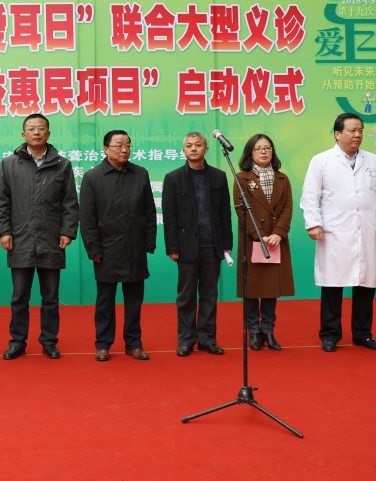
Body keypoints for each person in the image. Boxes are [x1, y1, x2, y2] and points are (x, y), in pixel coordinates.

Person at [300, 112, 376, 352]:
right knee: (332, 284)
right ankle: (330, 335)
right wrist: (313, 223)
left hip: (365, 229)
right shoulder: (321, 161)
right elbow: (310, 197)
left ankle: (363, 334)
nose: (358, 135)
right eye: (352, 130)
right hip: (334, 232)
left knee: (365, 285)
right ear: (337, 133)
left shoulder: (374, 161)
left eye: (360, 130)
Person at [0, 113, 79, 360]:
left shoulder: (62, 165)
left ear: (48, 133)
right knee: (19, 296)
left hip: (52, 239)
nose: (36, 132)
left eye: (41, 128)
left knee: (50, 297)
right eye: (31, 128)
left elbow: (70, 202)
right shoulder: (9, 164)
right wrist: (4, 231)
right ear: (24, 134)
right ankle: (17, 341)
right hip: (20, 239)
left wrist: (67, 231)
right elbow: (1, 201)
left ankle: (49, 341)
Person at [79, 130, 157, 361]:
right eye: (119, 145)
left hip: (135, 247)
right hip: (106, 249)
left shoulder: (140, 173)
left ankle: (133, 343)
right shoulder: (92, 177)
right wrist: (93, 249)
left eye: (128, 145)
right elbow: (87, 218)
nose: (124, 150)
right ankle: (103, 344)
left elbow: (149, 212)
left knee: (134, 300)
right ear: (106, 149)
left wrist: (149, 243)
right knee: (105, 301)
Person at [162, 131, 233, 357]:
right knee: (186, 297)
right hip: (186, 247)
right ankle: (186, 340)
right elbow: (169, 216)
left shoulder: (219, 176)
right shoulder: (173, 178)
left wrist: (227, 243)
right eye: (189, 145)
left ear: (206, 149)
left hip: (213, 246)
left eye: (198, 144)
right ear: (183, 150)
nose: (194, 148)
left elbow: (225, 213)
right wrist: (172, 247)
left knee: (210, 295)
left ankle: (207, 340)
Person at [233, 134, 295, 351]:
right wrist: (259, 235)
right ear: (250, 153)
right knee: (251, 288)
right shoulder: (241, 178)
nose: (263, 151)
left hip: (275, 240)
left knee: (270, 288)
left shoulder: (282, 178)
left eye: (267, 148)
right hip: (253, 239)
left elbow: (287, 208)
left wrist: (278, 233)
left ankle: (268, 330)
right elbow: (241, 210)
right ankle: (253, 331)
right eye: (258, 148)